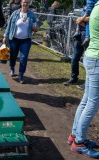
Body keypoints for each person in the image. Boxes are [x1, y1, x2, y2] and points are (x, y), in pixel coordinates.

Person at [68, 2, 99, 158]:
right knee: (93, 102)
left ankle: (75, 135)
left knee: (87, 100)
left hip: (92, 58)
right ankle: (79, 142)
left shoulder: (95, 7)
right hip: (96, 60)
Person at [3, 0, 38, 84]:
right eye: (24, 2)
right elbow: (9, 25)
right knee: (13, 56)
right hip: (14, 39)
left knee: (23, 58)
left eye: (27, 2)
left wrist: (35, 28)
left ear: (29, 4)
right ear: (21, 3)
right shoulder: (15, 13)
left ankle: (21, 74)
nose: (25, 4)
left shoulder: (32, 15)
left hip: (26, 40)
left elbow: (36, 27)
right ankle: (12, 68)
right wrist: (5, 36)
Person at [63, 13, 89, 86]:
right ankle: (73, 78)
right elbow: (78, 21)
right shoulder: (85, 8)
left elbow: (90, 19)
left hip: (88, 36)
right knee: (74, 59)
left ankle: (87, 82)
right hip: (79, 36)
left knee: (87, 61)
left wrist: (81, 19)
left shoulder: (95, 6)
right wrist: (80, 21)